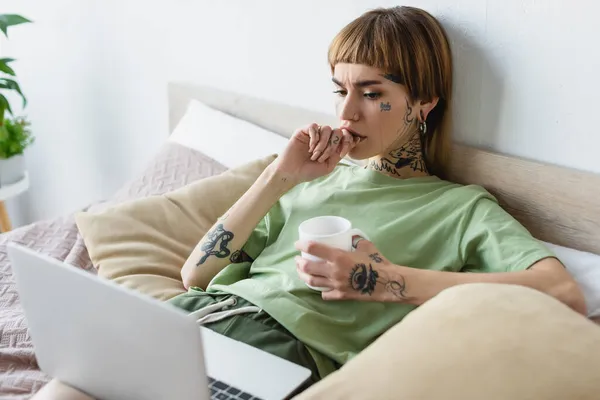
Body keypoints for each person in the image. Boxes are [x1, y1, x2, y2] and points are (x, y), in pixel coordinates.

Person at [34, 6, 586, 399]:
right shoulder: (313, 180)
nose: (348, 112)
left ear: (423, 103)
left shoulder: (461, 209)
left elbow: (563, 294)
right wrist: (279, 176)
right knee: (65, 389)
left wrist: (387, 279)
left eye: (373, 94)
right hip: (185, 322)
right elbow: (194, 275)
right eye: (339, 89)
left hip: (282, 355)